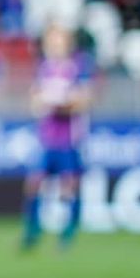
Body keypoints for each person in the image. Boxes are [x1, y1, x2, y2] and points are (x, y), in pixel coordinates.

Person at [21, 23, 93, 251]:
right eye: (51, 42)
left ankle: (68, 233)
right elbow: (34, 100)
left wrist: (62, 102)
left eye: (59, 41)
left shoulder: (78, 66)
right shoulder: (43, 68)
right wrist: (43, 101)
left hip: (69, 139)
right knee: (34, 184)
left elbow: (83, 100)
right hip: (46, 138)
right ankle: (32, 230)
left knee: (68, 186)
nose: (55, 46)